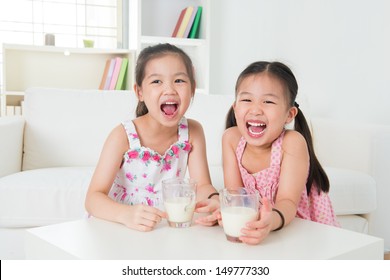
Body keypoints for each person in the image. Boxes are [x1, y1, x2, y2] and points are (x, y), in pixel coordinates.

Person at [85, 43, 219, 232]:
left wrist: (215, 200)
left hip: (163, 226)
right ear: (139, 92)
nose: (170, 89)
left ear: (193, 89)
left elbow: (203, 185)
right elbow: (93, 198)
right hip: (120, 225)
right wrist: (125, 215)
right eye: (157, 81)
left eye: (179, 80)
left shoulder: (193, 131)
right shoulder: (123, 135)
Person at [222, 61, 339, 245]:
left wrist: (269, 222)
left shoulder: (292, 143)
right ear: (235, 107)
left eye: (268, 101)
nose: (255, 109)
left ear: (289, 114)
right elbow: (235, 196)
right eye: (246, 100)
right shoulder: (231, 138)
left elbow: (287, 203)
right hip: (257, 227)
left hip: (295, 225)